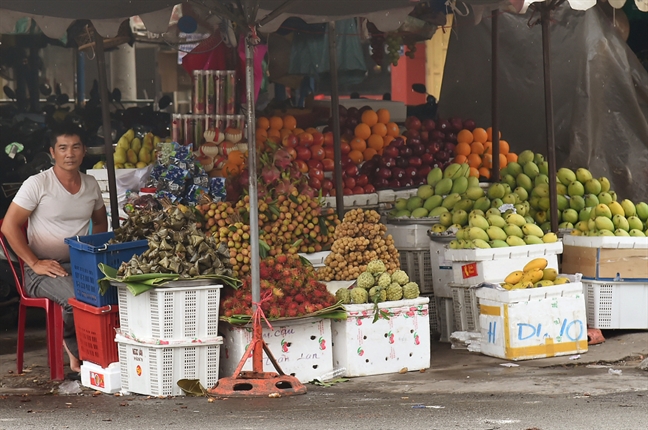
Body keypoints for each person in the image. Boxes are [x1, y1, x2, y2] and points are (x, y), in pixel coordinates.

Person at [1, 124, 108, 376]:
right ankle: (79, 357)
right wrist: (34, 262)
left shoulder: (91, 184)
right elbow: (8, 226)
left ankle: (105, 355)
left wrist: (93, 252)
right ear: (53, 152)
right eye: (63, 148)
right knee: (76, 299)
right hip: (42, 269)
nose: (69, 153)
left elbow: (101, 221)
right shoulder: (37, 184)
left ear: (84, 152)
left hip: (79, 264)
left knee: (111, 292)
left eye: (75, 147)